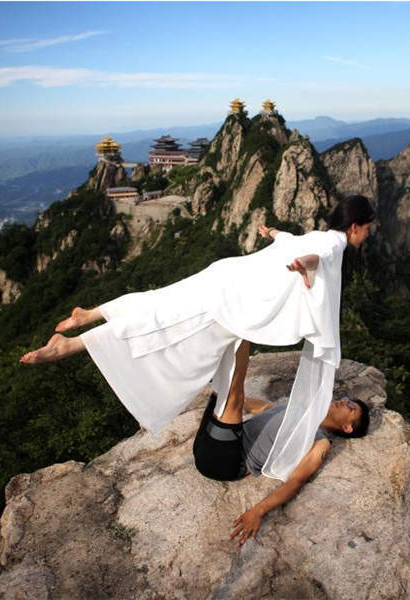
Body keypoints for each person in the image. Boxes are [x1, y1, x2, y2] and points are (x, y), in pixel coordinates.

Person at [19, 194, 375, 487]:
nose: (366, 239)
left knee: (169, 303)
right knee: (180, 328)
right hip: (239, 298)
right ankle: (77, 340)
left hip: (232, 276)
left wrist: (273, 234)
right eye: (367, 232)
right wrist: (302, 263)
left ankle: (92, 316)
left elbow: (292, 240)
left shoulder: (319, 234)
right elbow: (317, 255)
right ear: (355, 226)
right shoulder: (335, 243)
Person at [191, 334, 370, 545]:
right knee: (221, 390)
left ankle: (241, 331)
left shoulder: (320, 442)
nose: (344, 401)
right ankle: (236, 332)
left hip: (227, 461)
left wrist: (258, 511)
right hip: (207, 445)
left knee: (232, 391)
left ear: (347, 427)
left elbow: (296, 481)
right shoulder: (302, 409)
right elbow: (264, 408)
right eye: (347, 399)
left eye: (351, 407)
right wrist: (244, 402)